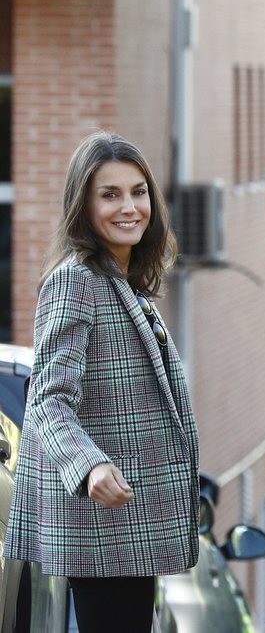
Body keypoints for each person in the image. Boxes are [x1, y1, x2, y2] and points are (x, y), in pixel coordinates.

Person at [3, 131, 200, 633]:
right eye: (110, 194)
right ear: (83, 205)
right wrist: (88, 467)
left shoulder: (124, 282)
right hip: (101, 524)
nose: (129, 207)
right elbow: (47, 399)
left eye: (138, 192)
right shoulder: (77, 280)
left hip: (129, 524)